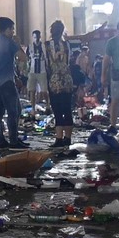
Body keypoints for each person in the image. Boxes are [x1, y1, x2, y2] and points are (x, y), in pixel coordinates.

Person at [0, 17, 30, 149]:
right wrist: (18, 44)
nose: (13, 31)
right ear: (6, 30)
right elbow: (23, 58)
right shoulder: (9, 42)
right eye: (12, 29)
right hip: (6, 83)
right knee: (15, 110)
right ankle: (13, 140)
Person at [43, 20, 74, 148]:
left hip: (54, 80)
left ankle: (59, 138)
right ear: (62, 31)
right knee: (67, 109)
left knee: (57, 110)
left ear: (51, 31)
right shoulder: (67, 44)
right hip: (67, 79)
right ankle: (68, 138)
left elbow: (46, 64)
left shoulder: (46, 45)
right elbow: (69, 62)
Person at [26, 30, 48, 108]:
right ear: (33, 37)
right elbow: (27, 58)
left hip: (42, 71)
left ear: (40, 37)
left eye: (38, 37)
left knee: (44, 90)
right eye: (35, 37)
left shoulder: (43, 46)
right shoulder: (30, 46)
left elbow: (46, 58)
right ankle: (33, 108)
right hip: (32, 71)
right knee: (32, 90)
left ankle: (48, 105)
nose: (37, 39)